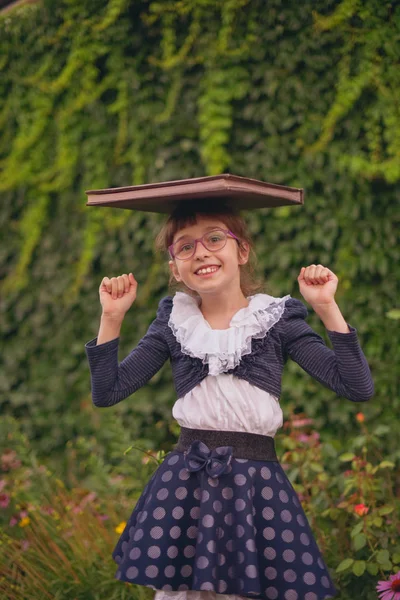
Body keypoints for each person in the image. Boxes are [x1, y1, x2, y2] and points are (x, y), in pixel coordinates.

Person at [84, 198, 374, 600]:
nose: (200, 251)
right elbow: (108, 392)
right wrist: (111, 317)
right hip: (186, 486)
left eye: (215, 238)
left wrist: (326, 307)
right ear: (175, 267)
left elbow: (356, 386)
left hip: (256, 488)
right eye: (184, 246)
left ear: (242, 250)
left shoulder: (276, 320)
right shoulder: (174, 324)